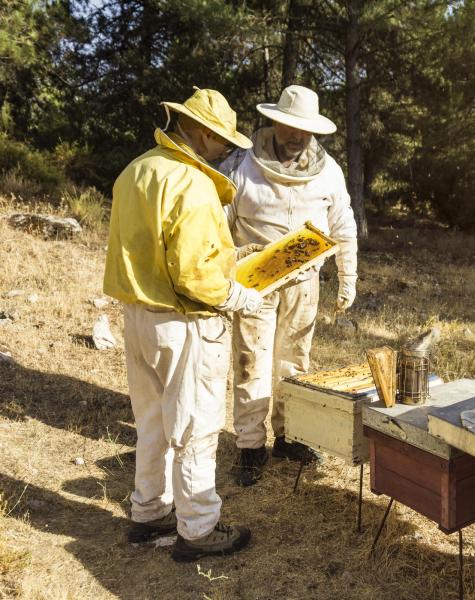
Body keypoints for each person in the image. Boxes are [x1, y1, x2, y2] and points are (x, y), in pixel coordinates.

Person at [103, 87, 263, 561]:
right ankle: (199, 529)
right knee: (196, 428)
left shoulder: (137, 170)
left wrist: (235, 257)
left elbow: (161, 247)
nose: (228, 149)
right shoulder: (191, 184)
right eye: (221, 141)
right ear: (196, 132)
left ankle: (149, 513)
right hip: (185, 323)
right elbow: (195, 275)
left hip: (139, 317)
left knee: (151, 422)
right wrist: (241, 296)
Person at [218, 85, 358, 487]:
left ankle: (289, 436)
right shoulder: (241, 164)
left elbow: (343, 225)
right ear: (275, 121)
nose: (297, 136)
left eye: (305, 130)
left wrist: (347, 276)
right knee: (251, 361)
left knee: (294, 361)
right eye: (290, 126)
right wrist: (229, 266)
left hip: (303, 280)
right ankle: (249, 446)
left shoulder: (328, 171)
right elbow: (219, 224)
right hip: (254, 282)